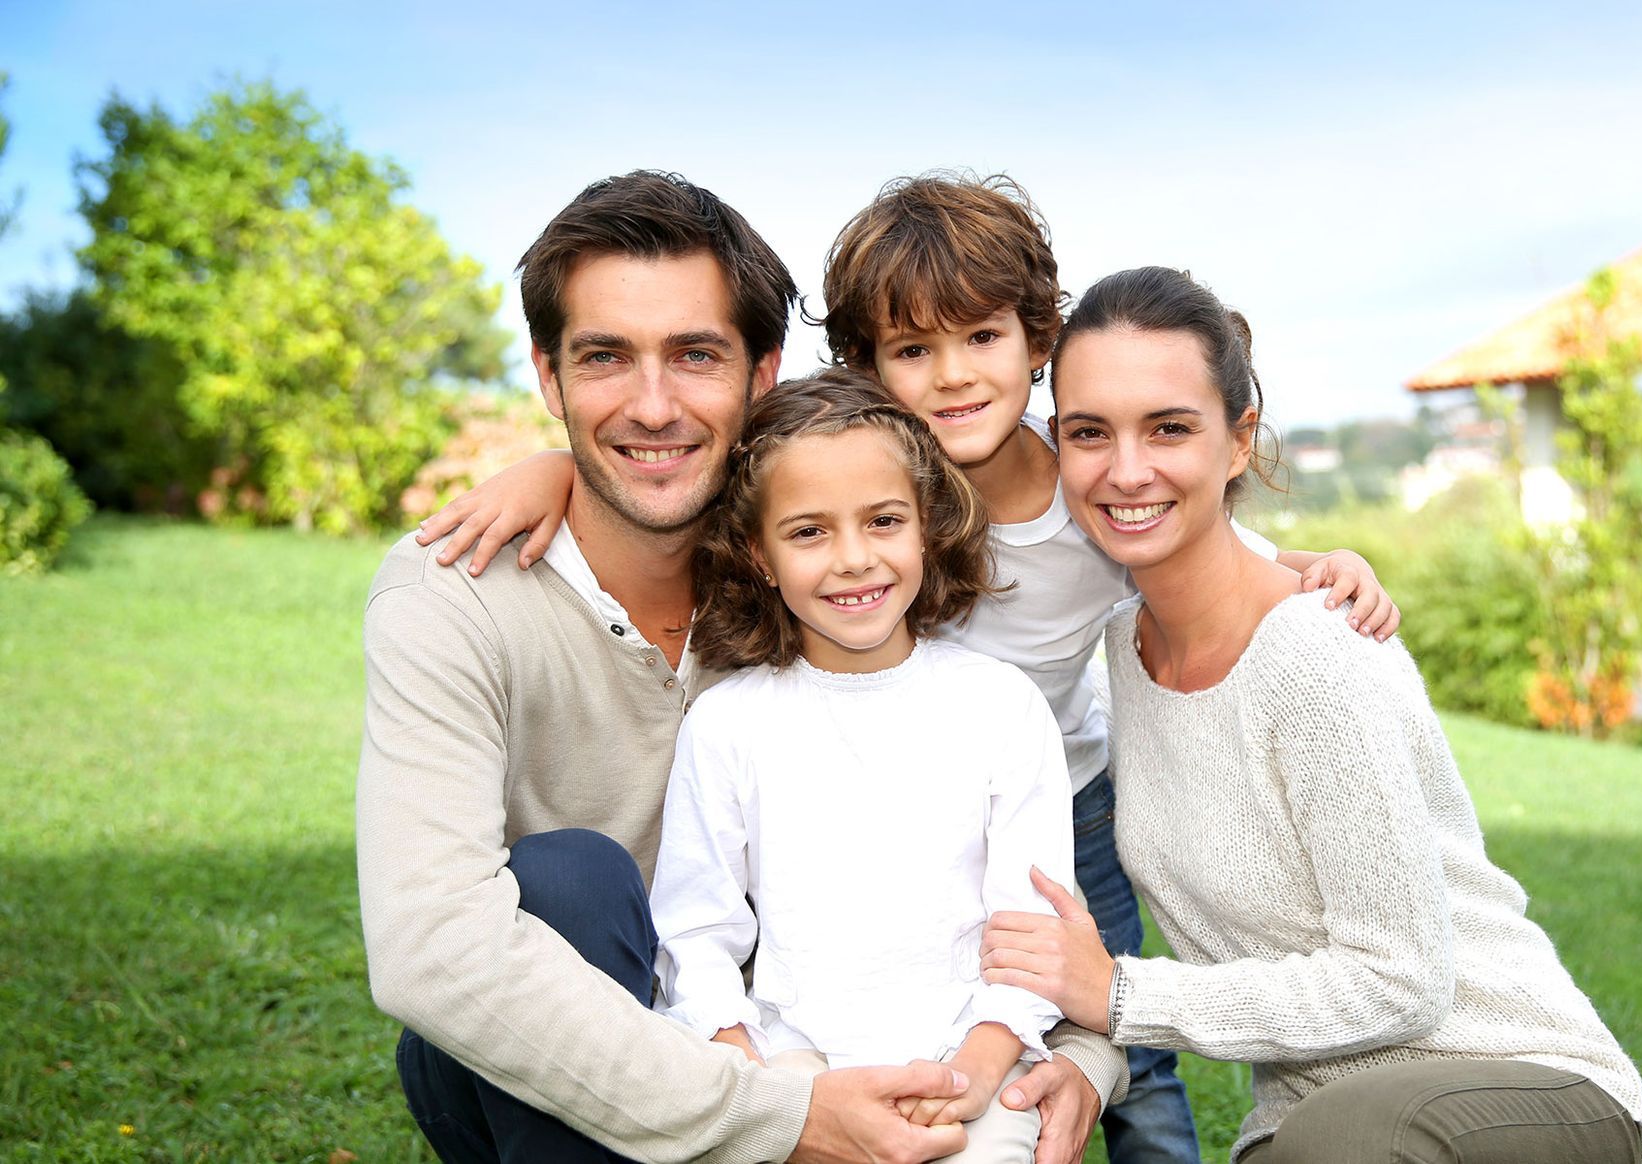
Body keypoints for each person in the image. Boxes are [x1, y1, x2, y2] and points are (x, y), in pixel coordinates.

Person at [420, 173, 1400, 1164]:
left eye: (982, 338)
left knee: (1123, 1058)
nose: (952, 375)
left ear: (1038, 345)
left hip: (1071, 798)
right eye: (914, 350)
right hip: (866, 813)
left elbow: (1183, 522)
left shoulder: (1087, 485)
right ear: (870, 368)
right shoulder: (852, 477)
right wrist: (550, 467)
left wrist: (1313, 567)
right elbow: (707, 471)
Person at [357, 170, 1124, 1164]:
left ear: (762, 374)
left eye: (694, 356)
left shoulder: (814, 588)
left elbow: (984, 884)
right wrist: (777, 1117)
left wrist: (1085, 1063)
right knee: (568, 881)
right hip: (604, 1048)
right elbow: (435, 953)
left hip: (812, 1038)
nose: (652, 404)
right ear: (547, 378)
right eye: (603, 359)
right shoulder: (452, 590)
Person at [977, 266, 1642, 1164]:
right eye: (1089, 434)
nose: (1126, 469)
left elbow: (1402, 982)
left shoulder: (1318, 654)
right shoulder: (1119, 654)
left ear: (1237, 440)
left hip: (1517, 1081)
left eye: (1169, 428)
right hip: (1306, 1127)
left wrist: (1127, 999)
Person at [655, 368, 1075, 1164]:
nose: (854, 559)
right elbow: (696, 931)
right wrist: (760, 1082)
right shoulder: (729, 723)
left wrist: (975, 1075)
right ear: (761, 554)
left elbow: (1030, 928)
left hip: (972, 1063)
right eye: (809, 532)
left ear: (926, 527)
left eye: (883, 521)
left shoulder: (1001, 707)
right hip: (795, 1069)